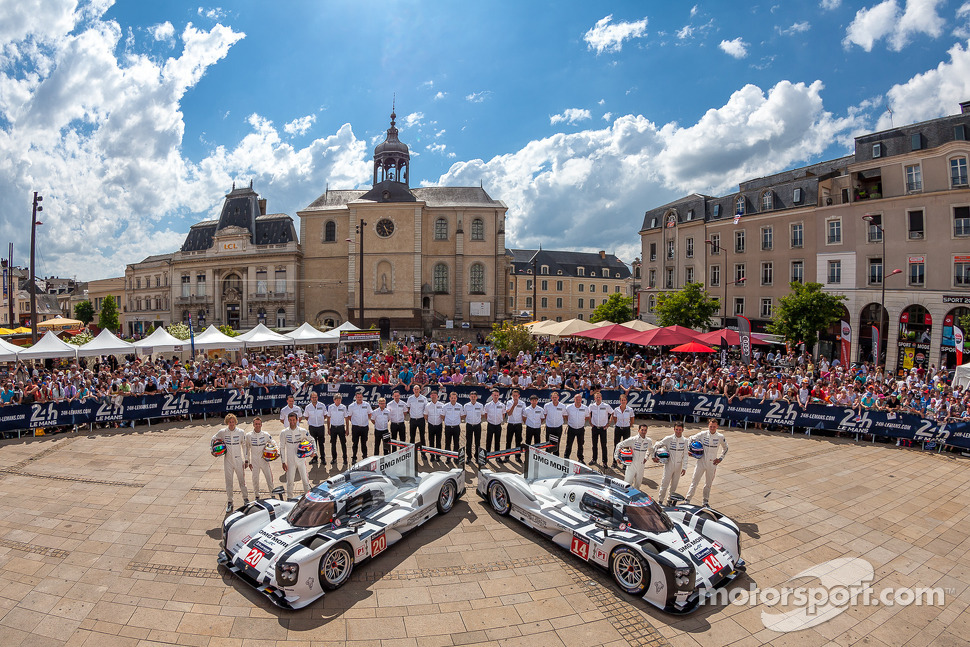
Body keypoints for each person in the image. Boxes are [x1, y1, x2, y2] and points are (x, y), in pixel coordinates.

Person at [684, 418, 729, 507]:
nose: (712, 428)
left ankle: (705, 502)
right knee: (694, 481)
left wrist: (720, 459)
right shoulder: (703, 434)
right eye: (710, 426)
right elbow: (689, 439)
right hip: (701, 462)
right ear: (708, 426)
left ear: (717, 427)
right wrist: (689, 450)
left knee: (708, 484)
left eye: (714, 427)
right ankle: (687, 500)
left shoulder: (720, 437)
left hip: (712, 464)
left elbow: (726, 448)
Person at [213, 413, 249, 512]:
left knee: (242, 481)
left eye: (233, 422)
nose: (231, 424)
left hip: (238, 460)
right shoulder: (223, 432)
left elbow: (245, 446)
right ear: (227, 422)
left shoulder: (241, 432)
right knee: (229, 482)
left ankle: (246, 499)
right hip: (227, 460)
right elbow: (213, 439)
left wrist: (246, 459)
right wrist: (214, 451)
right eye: (230, 422)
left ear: (236, 422)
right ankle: (230, 502)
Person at [654, 421, 688, 505]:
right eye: (676, 429)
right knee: (664, 483)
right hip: (669, 464)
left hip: (678, 466)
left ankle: (669, 500)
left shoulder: (685, 441)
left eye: (680, 430)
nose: (678, 431)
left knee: (674, 485)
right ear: (674, 429)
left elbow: (686, 455)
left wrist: (684, 467)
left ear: (683, 430)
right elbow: (657, 445)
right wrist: (655, 455)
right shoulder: (669, 438)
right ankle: (660, 501)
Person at [280, 411, 312, 499]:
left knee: (305, 480)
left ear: (297, 420)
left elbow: (311, 440)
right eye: (290, 420)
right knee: (290, 481)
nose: (292, 422)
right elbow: (282, 447)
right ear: (288, 420)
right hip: (290, 461)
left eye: (294, 420)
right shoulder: (284, 433)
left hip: (301, 460)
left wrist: (313, 452)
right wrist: (283, 462)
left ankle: (308, 497)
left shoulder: (302, 431)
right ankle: (289, 498)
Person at [614, 424, 653, 490]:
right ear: (638, 430)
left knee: (638, 485)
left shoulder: (648, 441)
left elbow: (650, 449)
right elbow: (619, 445)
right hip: (631, 465)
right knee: (627, 484)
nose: (643, 432)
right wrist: (617, 457)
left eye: (645, 430)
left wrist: (646, 457)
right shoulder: (633, 440)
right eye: (642, 430)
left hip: (641, 466)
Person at [245, 417, 274, 500]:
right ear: (253, 425)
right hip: (254, 461)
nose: (257, 425)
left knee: (269, 477)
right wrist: (248, 461)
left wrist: (276, 452)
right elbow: (247, 449)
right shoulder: (248, 435)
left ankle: (272, 494)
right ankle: (257, 495)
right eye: (256, 424)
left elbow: (273, 442)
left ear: (261, 425)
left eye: (259, 424)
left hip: (264, 460)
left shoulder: (265, 434)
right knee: (255, 479)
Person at [588, 390, 613, 465]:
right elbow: (588, 413)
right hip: (595, 428)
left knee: (603, 445)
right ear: (594, 398)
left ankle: (604, 462)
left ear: (601, 398)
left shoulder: (606, 406)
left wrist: (608, 424)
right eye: (596, 397)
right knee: (594, 445)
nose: (598, 398)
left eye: (599, 397)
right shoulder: (591, 406)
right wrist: (590, 422)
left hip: (603, 428)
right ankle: (594, 459)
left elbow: (612, 413)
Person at [563, 393, 590, 463]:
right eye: (576, 399)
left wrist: (580, 422)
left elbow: (587, 417)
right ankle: (566, 457)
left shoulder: (585, 408)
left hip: (580, 429)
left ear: (581, 400)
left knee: (580, 445)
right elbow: (565, 416)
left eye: (579, 399)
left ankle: (580, 458)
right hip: (571, 428)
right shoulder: (569, 407)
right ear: (574, 399)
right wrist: (570, 422)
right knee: (569, 444)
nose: (578, 400)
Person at [303, 391, 327, 467]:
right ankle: (314, 458)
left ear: (317, 397)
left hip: (320, 427)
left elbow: (325, 415)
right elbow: (306, 417)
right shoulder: (308, 407)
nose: (314, 398)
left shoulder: (322, 405)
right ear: (310, 398)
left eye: (315, 397)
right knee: (313, 444)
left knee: (321, 443)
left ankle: (323, 458)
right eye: (313, 397)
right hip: (312, 427)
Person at [610, 393, 635, 468]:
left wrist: (629, 425)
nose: (623, 401)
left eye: (624, 400)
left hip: (626, 429)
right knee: (616, 445)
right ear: (620, 401)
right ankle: (614, 462)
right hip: (618, 429)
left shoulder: (630, 410)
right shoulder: (616, 409)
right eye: (622, 400)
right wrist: (618, 424)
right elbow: (614, 418)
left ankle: (625, 463)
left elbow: (632, 419)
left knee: (626, 446)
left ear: (626, 401)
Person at [347, 392, 373, 462]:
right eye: (358, 397)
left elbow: (370, 413)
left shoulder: (366, 405)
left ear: (362, 397)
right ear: (355, 397)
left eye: (360, 397)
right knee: (355, 443)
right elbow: (349, 416)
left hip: (364, 427)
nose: (359, 398)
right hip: (356, 427)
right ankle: (354, 457)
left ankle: (364, 457)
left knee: (364, 443)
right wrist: (354, 422)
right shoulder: (351, 406)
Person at [327, 393, 349, 467]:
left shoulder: (343, 407)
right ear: (334, 400)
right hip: (333, 428)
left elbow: (346, 418)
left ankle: (345, 459)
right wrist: (328, 428)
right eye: (337, 400)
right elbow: (328, 418)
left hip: (341, 428)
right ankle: (334, 458)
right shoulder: (330, 407)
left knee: (343, 444)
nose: (338, 401)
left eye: (340, 400)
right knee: (333, 444)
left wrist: (347, 429)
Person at [504, 389, 526, 462]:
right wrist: (514, 405)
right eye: (514, 395)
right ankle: (507, 457)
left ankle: (517, 457)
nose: (515, 397)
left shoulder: (522, 403)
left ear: (519, 396)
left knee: (518, 441)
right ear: (512, 395)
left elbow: (524, 414)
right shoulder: (509, 402)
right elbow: (509, 413)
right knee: (508, 441)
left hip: (518, 424)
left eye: (516, 395)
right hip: (510, 423)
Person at [442, 391, 464, 462]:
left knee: (456, 443)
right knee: (447, 443)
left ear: (456, 398)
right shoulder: (445, 406)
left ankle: (455, 458)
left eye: (454, 398)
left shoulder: (460, 406)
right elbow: (442, 416)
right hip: (448, 427)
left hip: (456, 427)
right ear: (449, 398)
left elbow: (462, 416)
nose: (453, 399)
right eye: (452, 398)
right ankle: (448, 458)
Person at [543, 391, 566, 455]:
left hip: (558, 427)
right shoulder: (547, 405)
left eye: (556, 397)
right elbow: (545, 415)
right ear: (551, 398)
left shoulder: (562, 406)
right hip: (549, 427)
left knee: (557, 442)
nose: (554, 399)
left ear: (558, 397)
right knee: (548, 442)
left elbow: (564, 415)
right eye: (553, 397)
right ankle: (547, 456)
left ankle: (556, 456)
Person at [483, 389, 505, 454]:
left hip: (498, 425)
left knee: (497, 441)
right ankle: (487, 454)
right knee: (488, 440)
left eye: (497, 395)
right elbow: (486, 415)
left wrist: (499, 420)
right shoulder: (488, 405)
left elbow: (503, 414)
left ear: (499, 396)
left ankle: (497, 455)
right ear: (492, 395)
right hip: (490, 425)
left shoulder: (502, 405)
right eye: (494, 395)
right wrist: (489, 421)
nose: (496, 396)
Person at [463, 391, 484, 457]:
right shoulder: (466, 405)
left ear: (476, 397)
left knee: (477, 442)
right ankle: (469, 456)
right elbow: (464, 415)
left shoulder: (480, 405)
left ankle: (477, 455)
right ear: (469, 397)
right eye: (472, 397)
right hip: (469, 425)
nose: (473, 398)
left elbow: (482, 415)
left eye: (474, 397)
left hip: (477, 425)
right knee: (468, 441)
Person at [425, 389, 445, 456]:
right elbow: (425, 415)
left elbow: (443, 415)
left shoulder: (442, 405)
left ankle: (438, 456)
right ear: (430, 396)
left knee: (438, 441)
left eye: (435, 395)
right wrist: (430, 421)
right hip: (431, 425)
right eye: (432, 395)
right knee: (431, 441)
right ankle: (432, 455)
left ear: (437, 396)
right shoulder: (427, 405)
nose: (433, 397)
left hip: (439, 425)